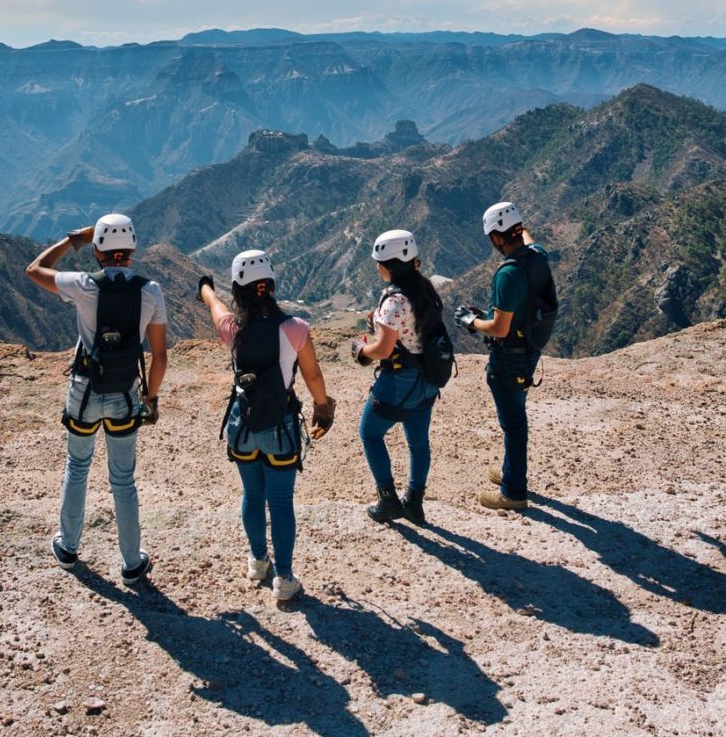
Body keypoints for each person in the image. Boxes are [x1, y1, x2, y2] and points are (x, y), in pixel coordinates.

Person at [26, 212, 167, 584]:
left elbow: (35, 269)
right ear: (132, 249)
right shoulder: (151, 291)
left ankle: (68, 547)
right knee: (123, 480)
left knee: (77, 467)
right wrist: (150, 399)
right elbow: (159, 356)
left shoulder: (83, 285)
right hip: (125, 393)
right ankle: (132, 562)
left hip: (84, 390)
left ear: (97, 250)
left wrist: (74, 240)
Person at [197, 250, 335, 602]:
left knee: (252, 494)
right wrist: (323, 408)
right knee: (281, 501)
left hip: (242, 425)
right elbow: (312, 374)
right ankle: (285, 579)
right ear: (271, 285)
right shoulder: (296, 328)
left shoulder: (232, 329)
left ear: (237, 289)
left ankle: (258, 561)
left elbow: (215, 306)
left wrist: (206, 288)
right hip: (281, 425)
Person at [454, 201, 552, 511]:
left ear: (496, 238)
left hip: (509, 358)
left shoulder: (508, 273)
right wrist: (517, 220)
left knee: (513, 424)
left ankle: (513, 492)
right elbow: (529, 237)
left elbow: (499, 327)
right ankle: (512, 472)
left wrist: (471, 321)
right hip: (530, 349)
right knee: (515, 418)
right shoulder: (538, 256)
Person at [351, 229, 442, 525]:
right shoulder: (425, 288)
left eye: (378, 262)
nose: (376, 267)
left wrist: (361, 350)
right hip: (427, 378)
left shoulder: (394, 300)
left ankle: (388, 500)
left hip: (400, 380)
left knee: (370, 433)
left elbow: (383, 349)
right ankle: (414, 503)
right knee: (418, 443)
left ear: (388, 265)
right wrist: (380, 324)